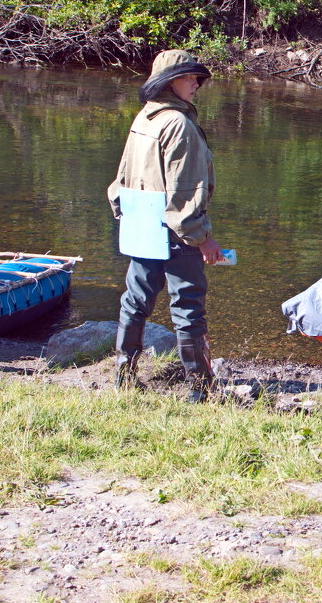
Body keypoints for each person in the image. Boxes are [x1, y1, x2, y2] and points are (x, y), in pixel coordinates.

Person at [108, 49, 224, 400]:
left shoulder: (145, 118)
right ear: (170, 81)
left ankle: (123, 377)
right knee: (188, 307)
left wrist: (124, 214)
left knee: (136, 301)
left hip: (142, 223)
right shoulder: (179, 125)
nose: (196, 84)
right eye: (190, 78)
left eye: (197, 78)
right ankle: (200, 390)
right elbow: (185, 192)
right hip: (175, 232)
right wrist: (202, 240)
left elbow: (122, 180)